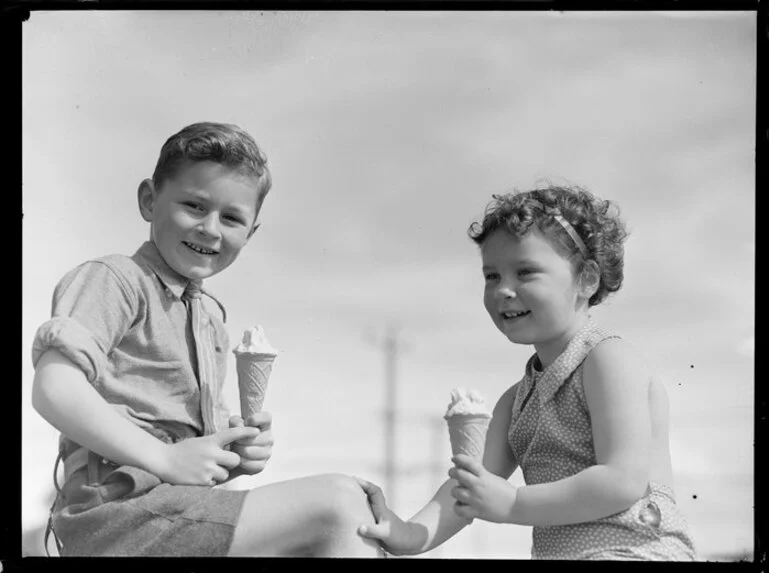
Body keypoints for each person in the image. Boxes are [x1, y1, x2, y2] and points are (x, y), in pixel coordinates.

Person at [31, 122, 381, 557]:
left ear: (250, 233)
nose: (210, 229)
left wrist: (236, 455)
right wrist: (164, 459)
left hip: (174, 508)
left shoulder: (211, 318)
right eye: (194, 206)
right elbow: (53, 389)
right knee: (339, 504)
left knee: (360, 506)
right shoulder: (116, 279)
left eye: (232, 218)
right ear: (148, 200)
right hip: (114, 510)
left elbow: (193, 464)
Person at [357, 185, 697, 560]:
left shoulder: (608, 359)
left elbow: (622, 480)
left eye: (525, 272)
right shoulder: (515, 402)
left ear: (587, 280)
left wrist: (514, 503)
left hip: (636, 551)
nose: (503, 289)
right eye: (491, 276)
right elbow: (471, 487)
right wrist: (410, 533)